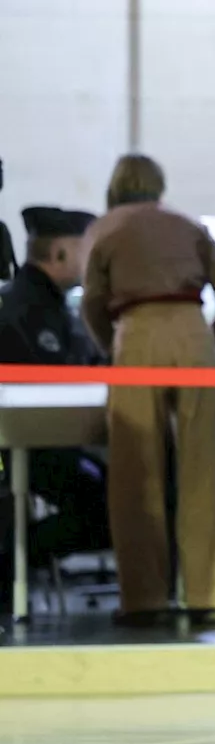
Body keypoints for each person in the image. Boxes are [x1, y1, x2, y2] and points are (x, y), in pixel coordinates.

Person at [80, 154, 215, 626]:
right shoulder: (187, 225)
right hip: (194, 335)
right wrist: (212, 335)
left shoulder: (105, 230)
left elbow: (91, 302)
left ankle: (144, 600)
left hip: (136, 338)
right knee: (202, 470)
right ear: (159, 186)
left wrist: (111, 344)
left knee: (136, 475)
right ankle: (207, 597)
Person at [0, 207, 109, 570]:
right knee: (111, 505)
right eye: (86, 252)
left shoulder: (48, 305)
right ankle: (10, 565)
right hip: (30, 444)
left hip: (45, 440)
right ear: (60, 254)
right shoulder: (26, 309)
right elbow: (55, 382)